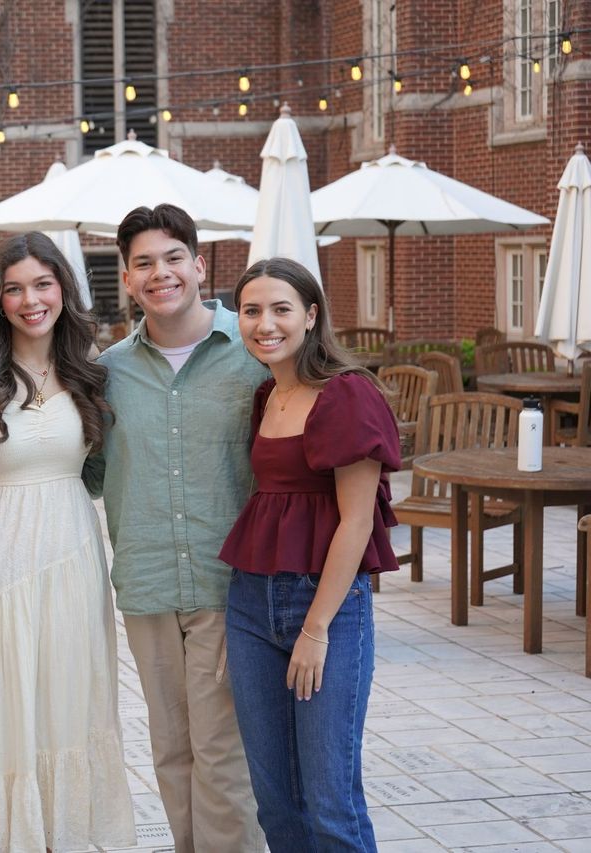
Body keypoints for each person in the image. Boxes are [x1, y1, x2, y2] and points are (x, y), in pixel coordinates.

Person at [0, 233, 136, 852]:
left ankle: (61, 837)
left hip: (72, 553)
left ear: (62, 290)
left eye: (42, 284)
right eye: (14, 288)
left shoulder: (90, 369)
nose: (29, 300)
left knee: (68, 699)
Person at [82, 203, 265, 853]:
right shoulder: (109, 372)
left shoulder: (253, 355)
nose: (161, 274)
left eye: (172, 258)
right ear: (127, 280)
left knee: (223, 749)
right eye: (144, 264)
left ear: (199, 264)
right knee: (171, 746)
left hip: (229, 582)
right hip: (148, 578)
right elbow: (91, 473)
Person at [219, 258, 398, 852]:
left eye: (280, 309)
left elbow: (356, 519)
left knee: (329, 804)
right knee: (275, 801)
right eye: (251, 311)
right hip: (250, 603)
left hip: (325, 606)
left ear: (311, 315)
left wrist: (316, 628)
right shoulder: (268, 394)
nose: (264, 323)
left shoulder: (347, 394)